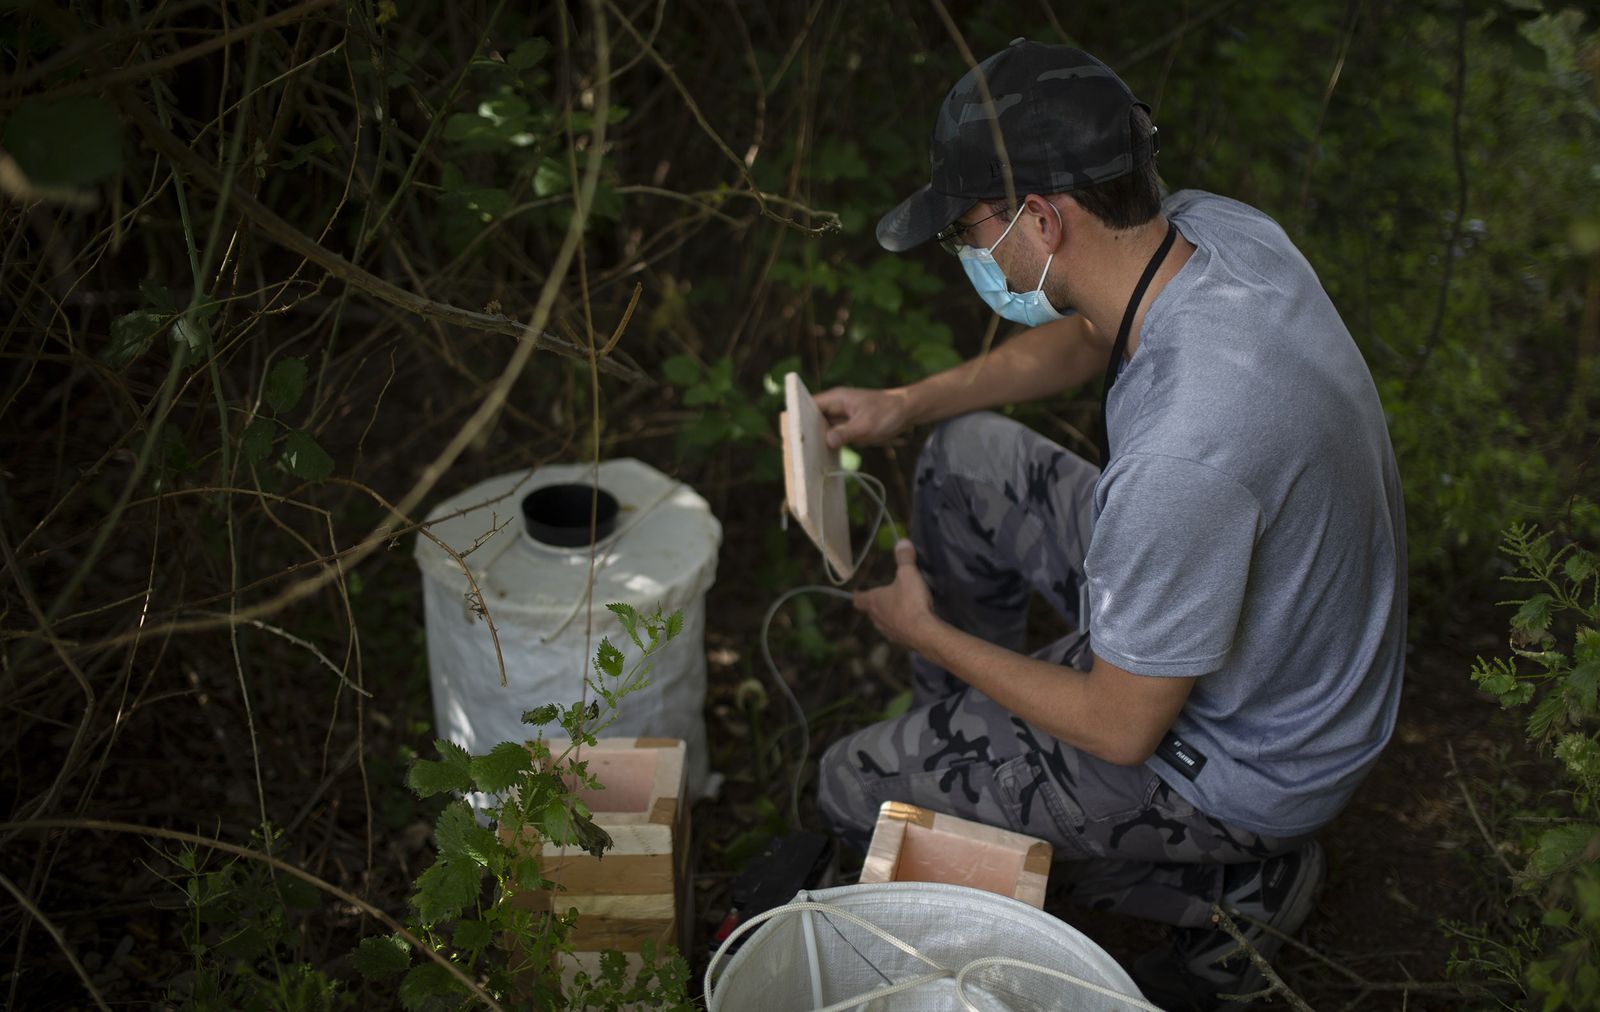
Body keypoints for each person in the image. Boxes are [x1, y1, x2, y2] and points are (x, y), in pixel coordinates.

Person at [812, 38, 1406, 1010]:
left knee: (851, 784)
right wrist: (902, 404)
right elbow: (1087, 337)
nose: (966, 251)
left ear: (1042, 218)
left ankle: (1226, 885)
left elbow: (1121, 726)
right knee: (966, 459)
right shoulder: (1215, 237)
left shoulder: (1185, 444)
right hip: (1270, 636)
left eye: (968, 228)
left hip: (1246, 761)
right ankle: (969, 749)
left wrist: (927, 632)